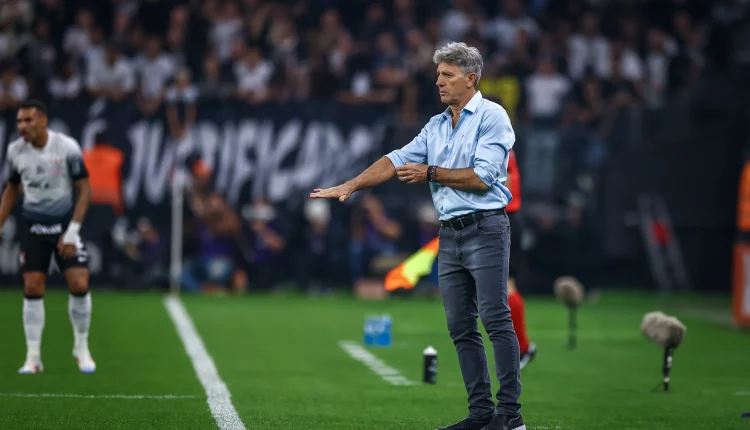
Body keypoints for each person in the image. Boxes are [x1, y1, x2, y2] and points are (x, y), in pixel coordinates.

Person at [311, 42, 525, 430]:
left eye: (447, 75)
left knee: (495, 319)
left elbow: (482, 177)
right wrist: (352, 184)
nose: (438, 82)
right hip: (450, 235)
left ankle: (511, 418)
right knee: (461, 327)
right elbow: (396, 159)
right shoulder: (438, 123)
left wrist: (429, 172)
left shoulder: (493, 117)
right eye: (438, 74)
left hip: (485, 229)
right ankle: (480, 415)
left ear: (471, 78)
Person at [0, 100, 96, 374]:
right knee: (32, 287)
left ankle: (81, 347)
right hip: (33, 226)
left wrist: (72, 232)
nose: (22, 126)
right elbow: (12, 189)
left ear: (43, 120)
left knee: (79, 283)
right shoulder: (15, 151)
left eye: (28, 120)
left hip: (65, 227)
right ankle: (33, 357)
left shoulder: (67, 147)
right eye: (19, 121)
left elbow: (85, 190)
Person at [504, 149, 536, 369]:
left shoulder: (495, 141)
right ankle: (520, 347)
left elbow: (506, 182)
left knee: (506, 286)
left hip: (502, 219)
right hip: (499, 219)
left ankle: (523, 347)